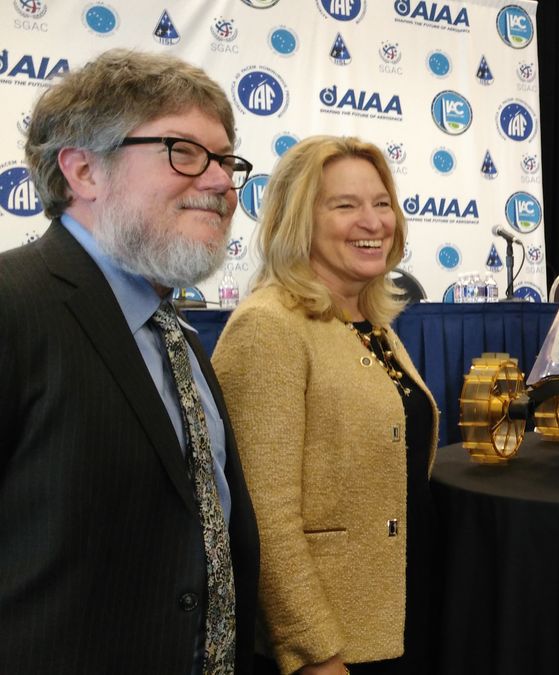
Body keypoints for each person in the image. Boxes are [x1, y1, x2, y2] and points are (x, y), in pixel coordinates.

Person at [0, 49, 260, 673]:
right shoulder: (13, 307)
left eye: (226, 161)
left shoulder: (180, 339)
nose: (223, 183)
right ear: (85, 170)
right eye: (185, 152)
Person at [212, 136, 440, 675]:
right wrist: (314, 650)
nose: (373, 221)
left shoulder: (370, 321)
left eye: (381, 203)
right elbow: (263, 517)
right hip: (330, 646)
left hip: (396, 617)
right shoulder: (267, 327)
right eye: (345, 206)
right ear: (298, 221)